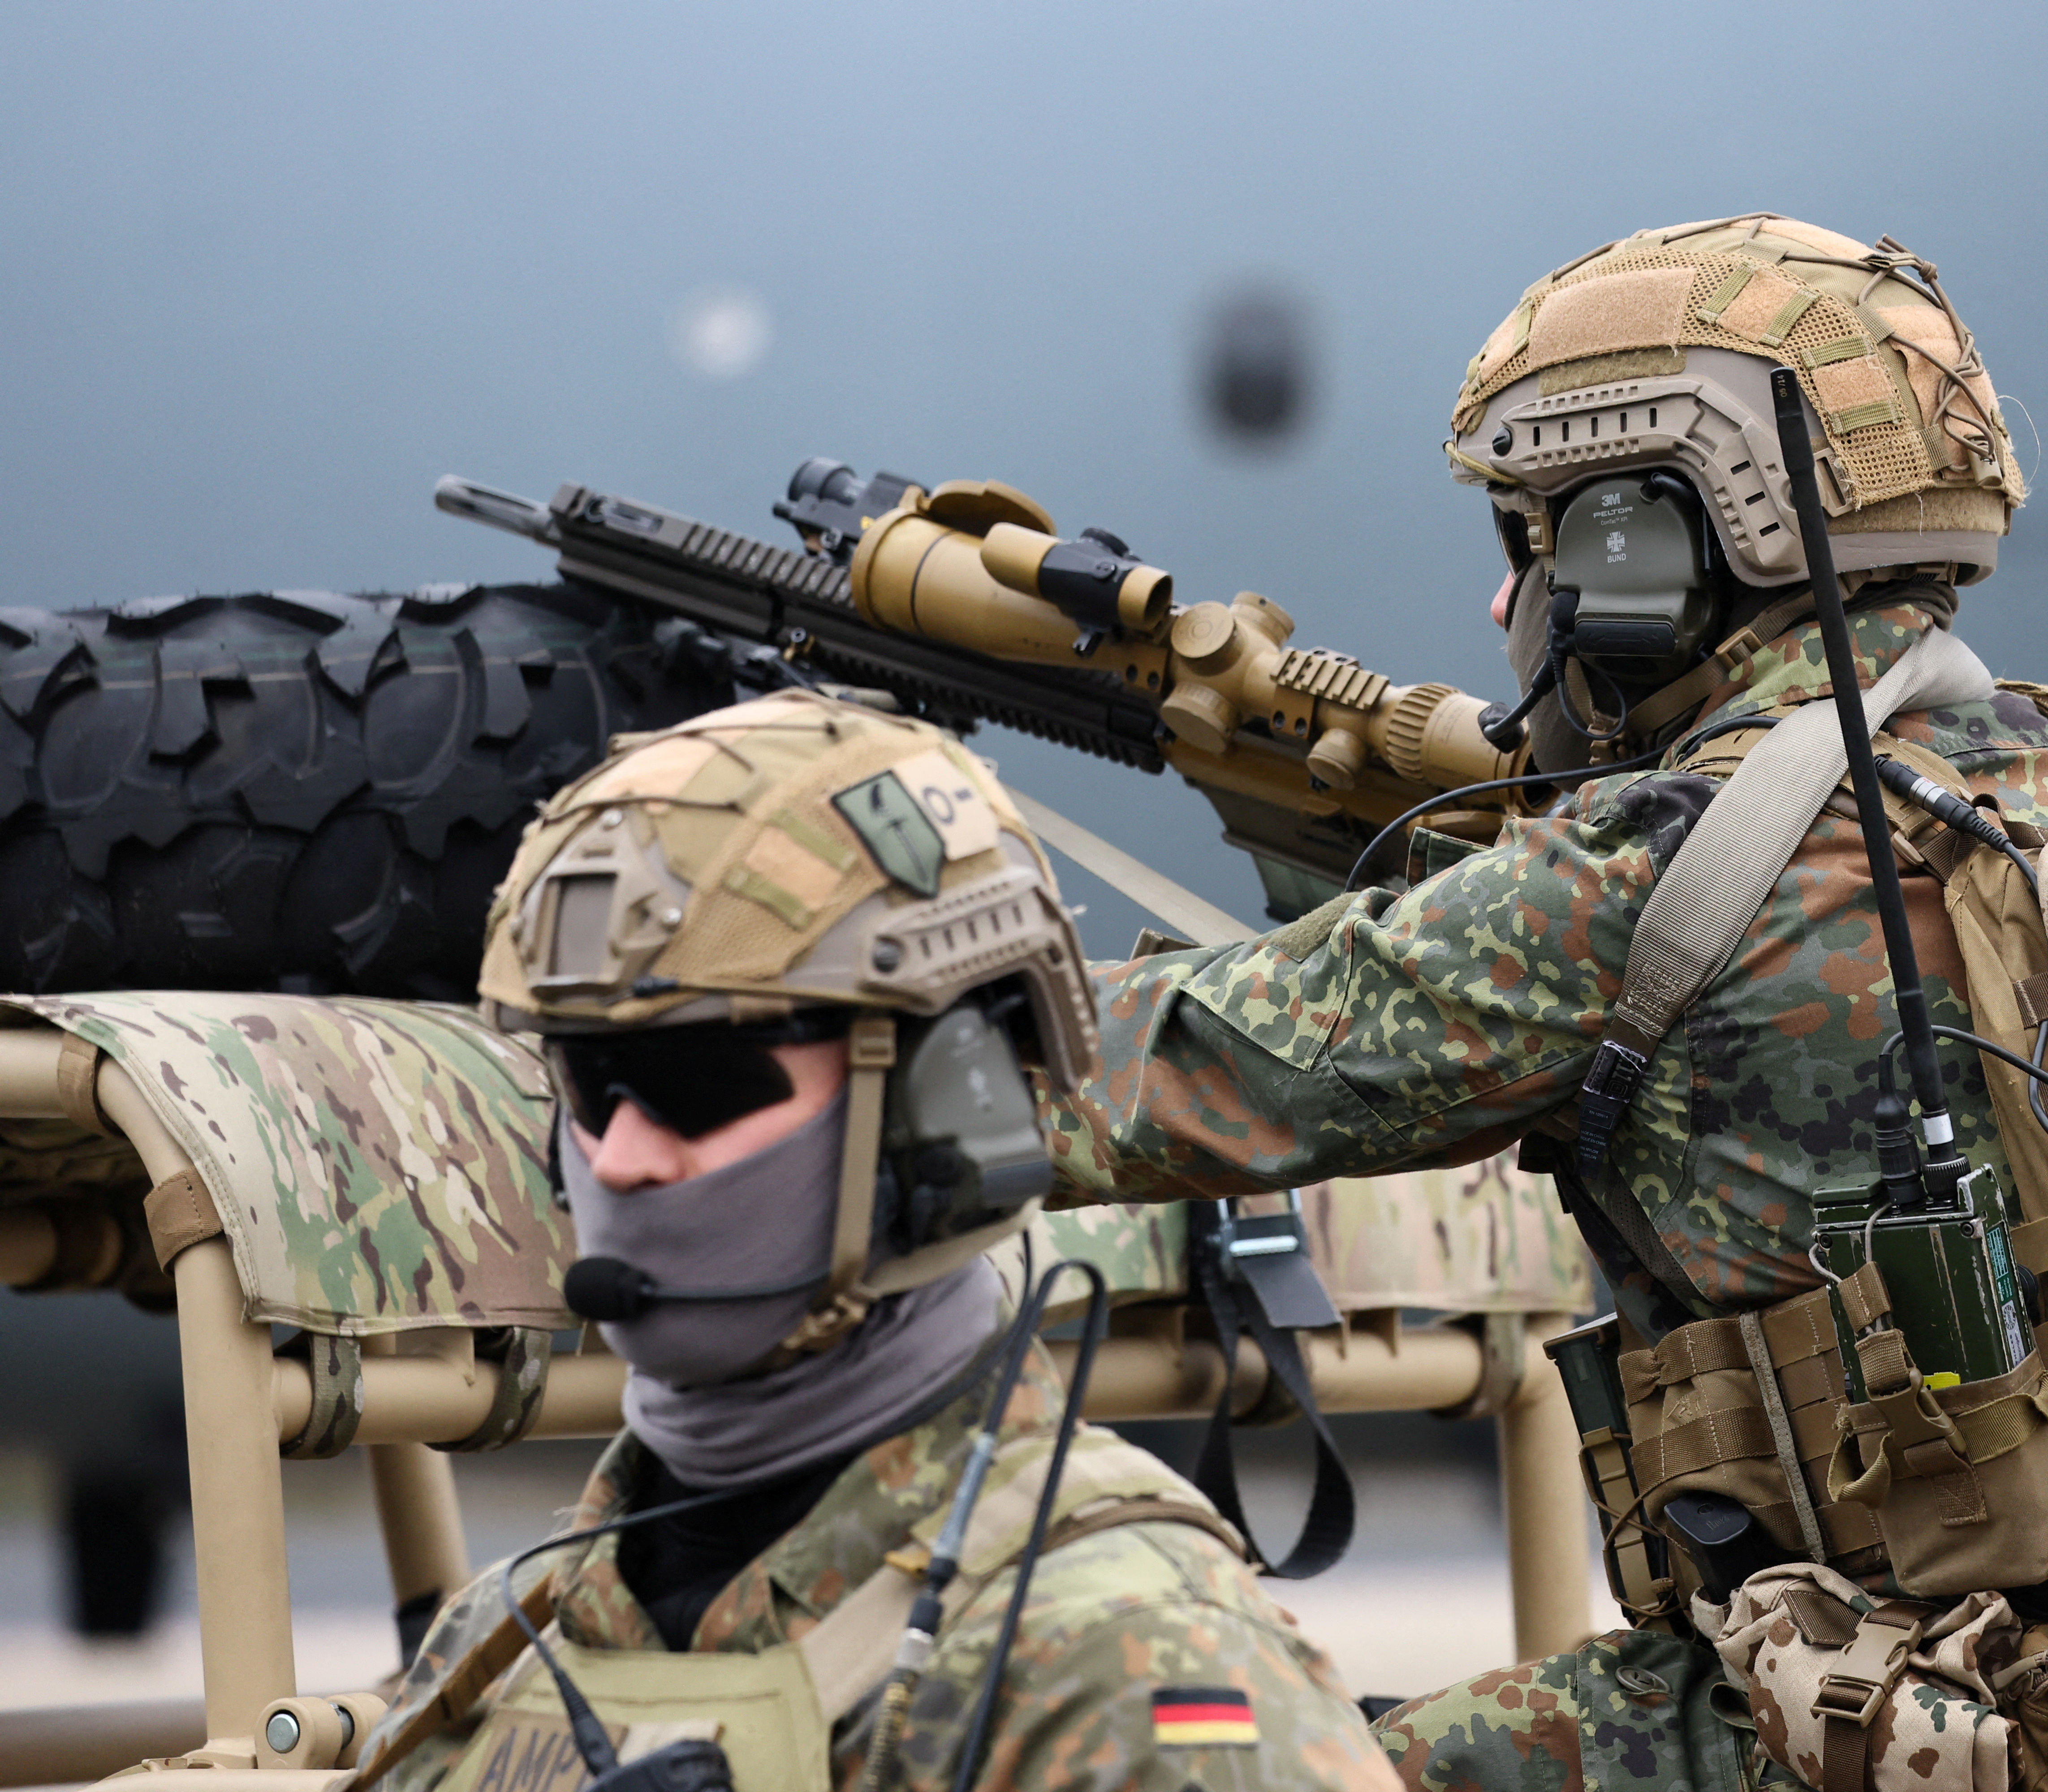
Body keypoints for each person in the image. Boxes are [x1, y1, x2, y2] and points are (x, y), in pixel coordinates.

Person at [1043, 215, 2048, 1788]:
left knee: (1218, 1764)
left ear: (1646, 547)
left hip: (1953, 1716)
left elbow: (1152, 1076)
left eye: (1537, 542)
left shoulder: (1666, 864)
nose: (1510, 604)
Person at [355, 691, 1396, 1792]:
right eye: (585, 1082)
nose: (618, 1157)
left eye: (700, 1081)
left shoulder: (1121, 1667)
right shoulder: (503, 1641)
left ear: (941, 1113)